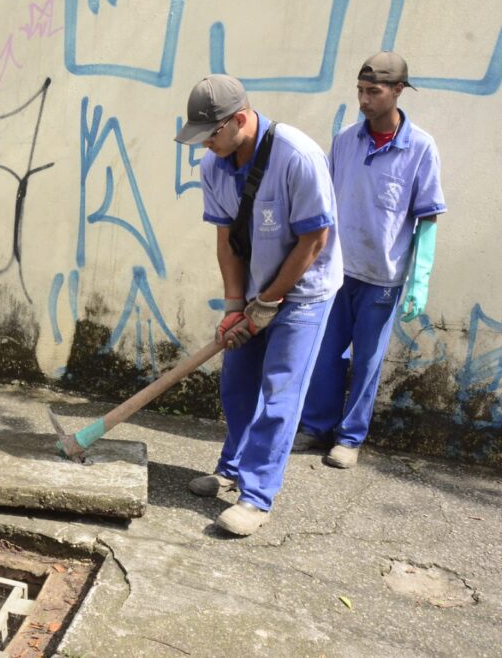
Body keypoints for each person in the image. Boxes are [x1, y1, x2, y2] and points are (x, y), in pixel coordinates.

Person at [175, 74, 343, 536]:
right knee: (237, 385)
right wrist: (236, 306)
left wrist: (271, 301)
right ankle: (230, 467)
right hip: (254, 292)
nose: (205, 144)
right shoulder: (214, 166)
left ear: (241, 120)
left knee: (279, 394)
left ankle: (256, 496)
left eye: (211, 133)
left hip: (306, 293)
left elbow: (315, 240)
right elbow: (227, 242)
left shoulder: (298, 157)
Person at [295, 52, 446, 469]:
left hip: (383, 278)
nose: (364, 99)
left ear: (398, 91)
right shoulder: (345, 141)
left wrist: (419, 281)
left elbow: (427, 216)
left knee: (366, 360)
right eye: (360, 91)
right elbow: (323, 204)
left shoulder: (421, 148)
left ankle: (350, 437)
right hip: (337, 271)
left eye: (373, 91)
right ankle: (315, 426)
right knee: (324, 355)